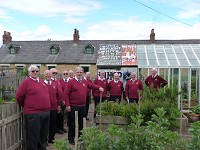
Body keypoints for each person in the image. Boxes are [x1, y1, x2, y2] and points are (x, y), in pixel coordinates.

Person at [63, 67, 104, 145]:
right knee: (72, 123)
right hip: (73, 106)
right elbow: (66, 94)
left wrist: (99, 88)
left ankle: (80, 136)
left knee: (81, 122)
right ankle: (71, 139)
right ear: (75, 73)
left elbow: (92, 86)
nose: (79, 74)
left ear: (82, 73)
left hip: (82, 106)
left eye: (80, 72)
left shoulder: (84, 81)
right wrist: (68, 105)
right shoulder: (71, 82)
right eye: (78, 72)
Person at [16, 65, 50, 150]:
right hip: (33, 113)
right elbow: (19, 96)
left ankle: (42, 148)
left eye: (37, 71)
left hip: (45, 112)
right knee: (33, 136)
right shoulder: (26, 82)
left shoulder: (41, 81)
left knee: (43, 134)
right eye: (33, 71)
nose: (35, 73)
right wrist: (26, 105)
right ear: (29, 73)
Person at [43, 70, 61, 144]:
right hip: (45, 109)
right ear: (44, 75)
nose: (48, 75)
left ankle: (51, 138)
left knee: (53, 124)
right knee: (45, 125)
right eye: (47, 74)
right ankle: (44, 140)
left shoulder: (54, 84)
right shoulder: (42, 84)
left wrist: (58, 105)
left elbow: (58, 96)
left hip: (54, 108)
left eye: (49, 74)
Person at [50, 68, 66, 134]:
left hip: (60, 101)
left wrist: (62, 100)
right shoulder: (50, 82)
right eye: (53, 73)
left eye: (56, 73)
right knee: (56, 117)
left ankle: (60, 128)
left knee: (61, 116)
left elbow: (61, 91)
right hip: (54, 103)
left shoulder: (57, 81)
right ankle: (57, 129)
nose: (54, 74)